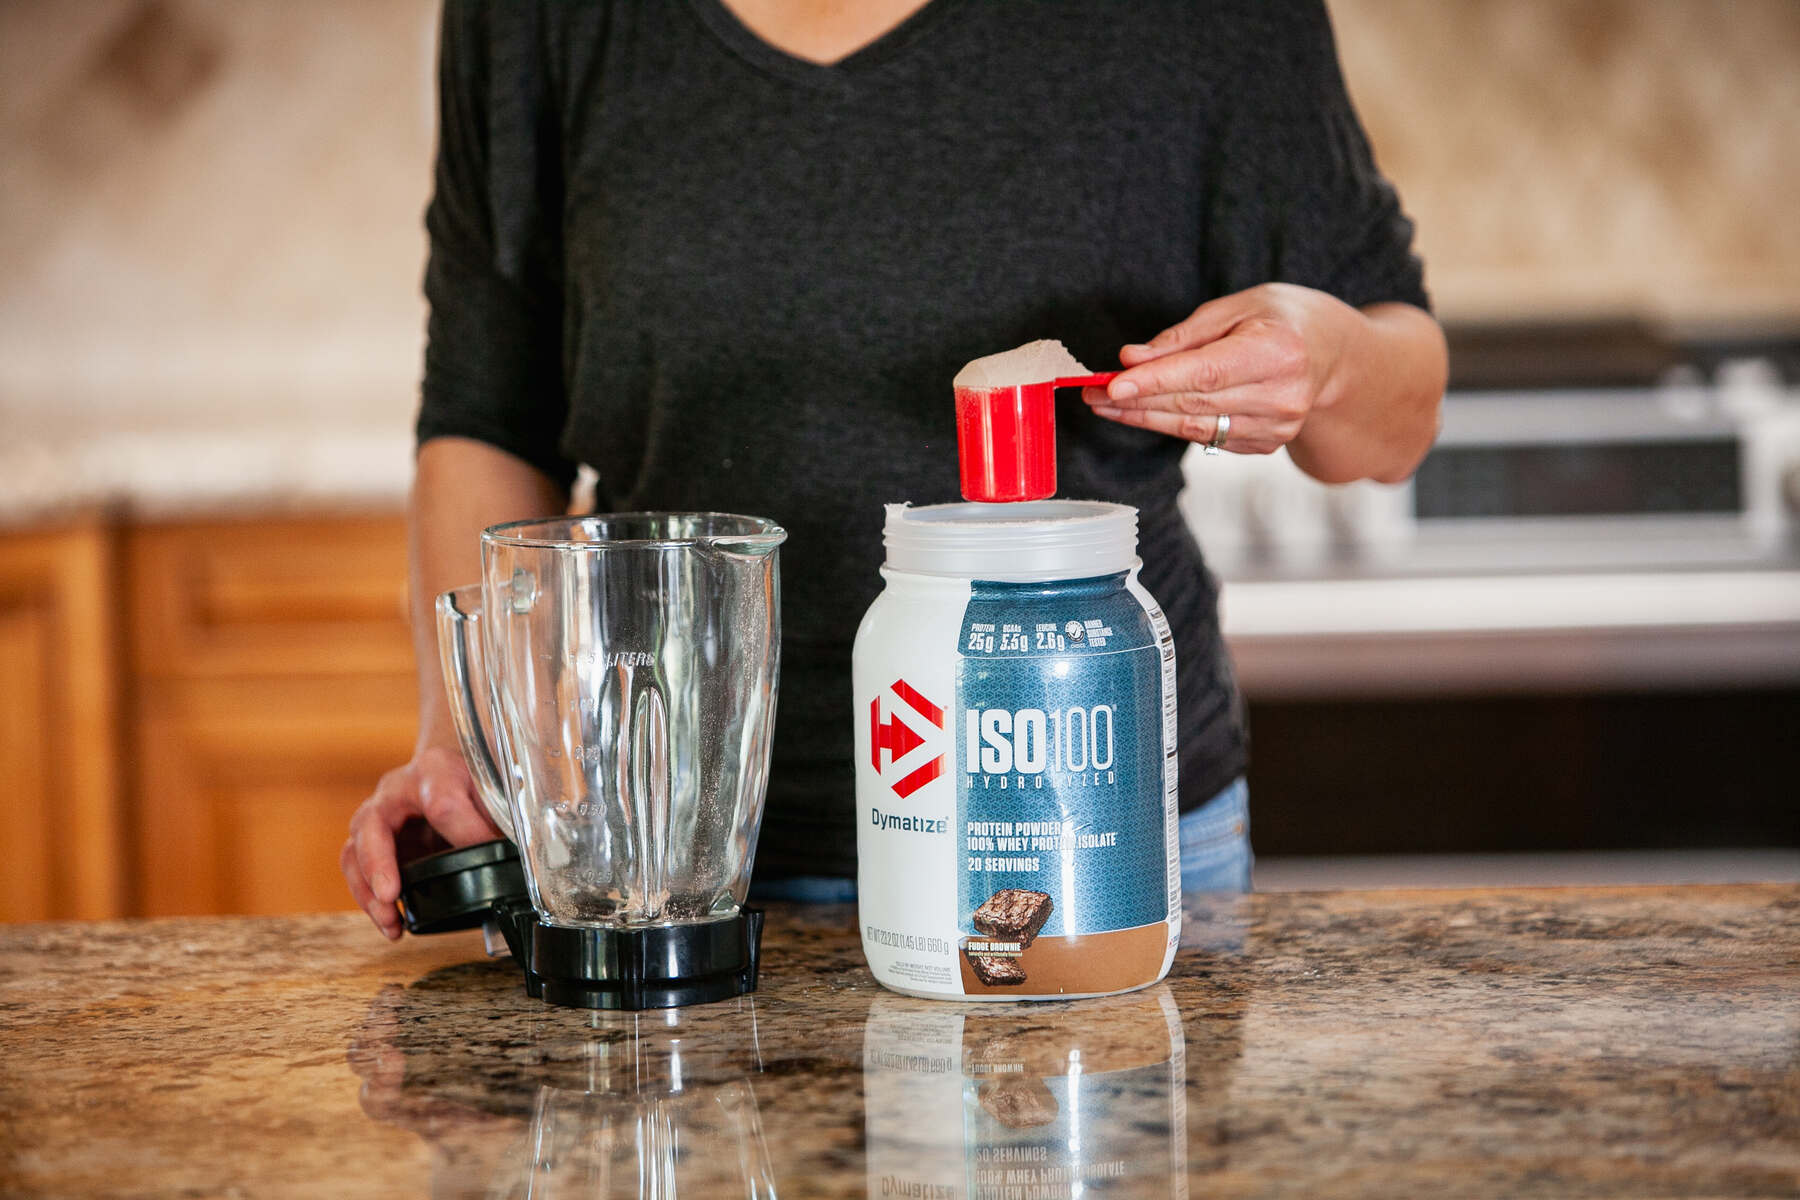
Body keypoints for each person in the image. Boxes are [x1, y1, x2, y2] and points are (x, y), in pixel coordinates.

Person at [342, 0, 1446, 938]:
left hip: (1094, 831)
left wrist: (1328, 352)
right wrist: (470, 746)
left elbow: (1393, 420)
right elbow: (487, 422)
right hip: (667, 858)